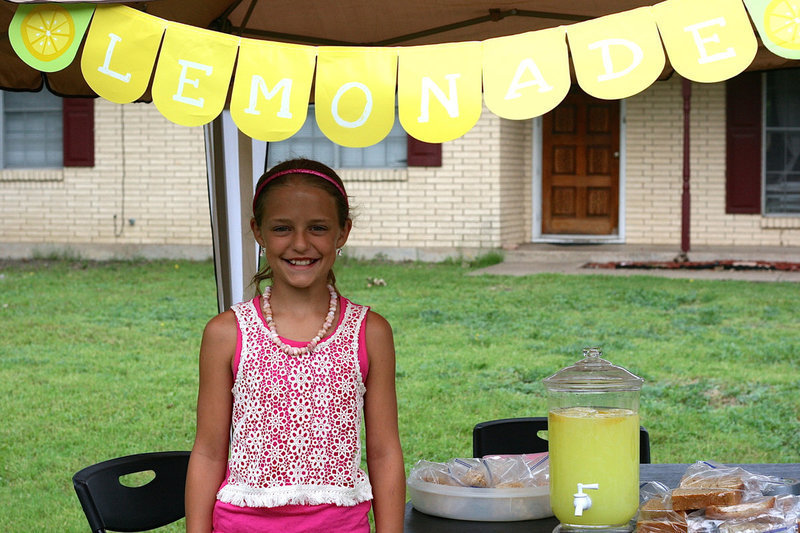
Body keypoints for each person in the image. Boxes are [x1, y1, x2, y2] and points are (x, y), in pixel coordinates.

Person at [185, 158, 406, 533]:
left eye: (318, 228)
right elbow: (207, 453)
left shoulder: (370, 332)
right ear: (258, 232)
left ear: (342, 233)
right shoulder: (226, 333)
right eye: (282, 228)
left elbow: (385, 454)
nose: (300, 243)